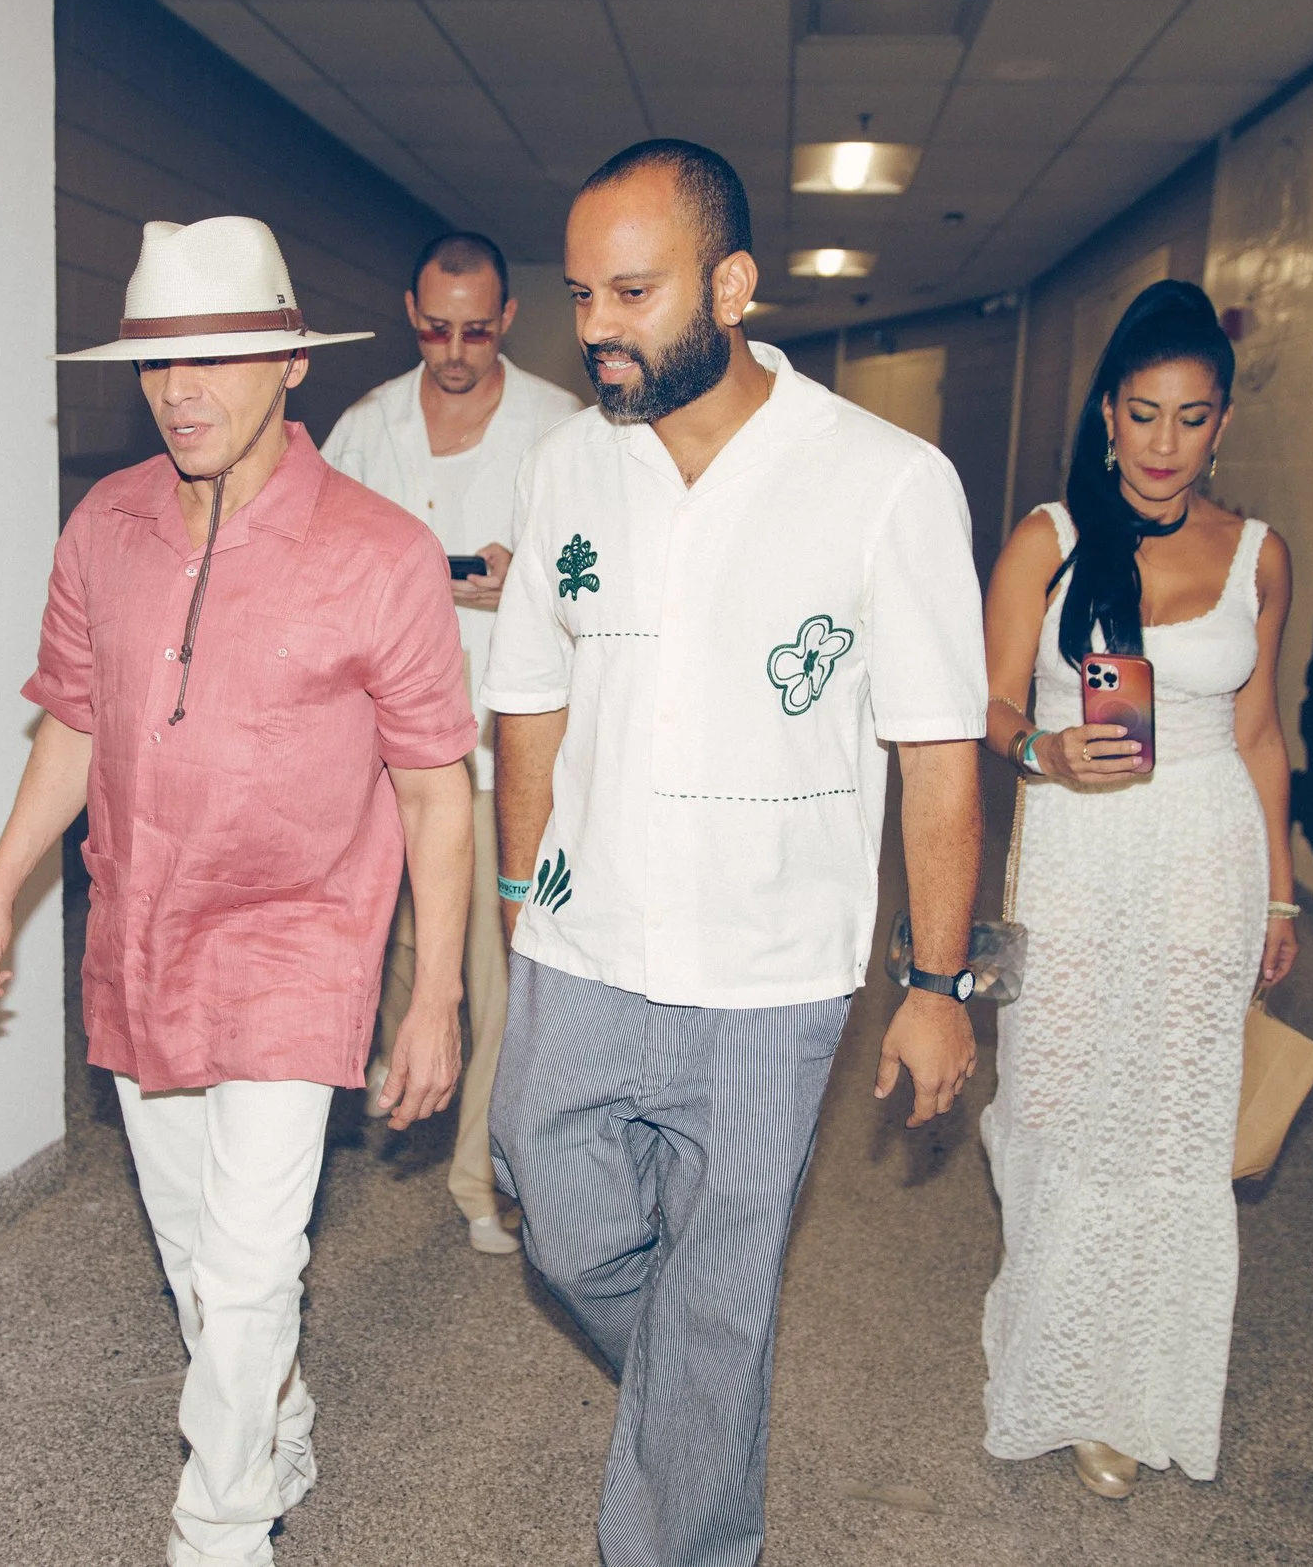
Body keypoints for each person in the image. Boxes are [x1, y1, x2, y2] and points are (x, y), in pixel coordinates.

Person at [0, 216, 478, 1567]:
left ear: (291, 361)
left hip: (305, 939)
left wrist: (437, 994)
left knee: (248, 1263)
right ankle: (276, 1405)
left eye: (221, 357)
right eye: (157, 363)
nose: (185, 390)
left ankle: (220, 1528)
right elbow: (74, 720)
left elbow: (431, 786)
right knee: (197, 1252)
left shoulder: (383, 552)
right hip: (143, 928)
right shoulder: (104, 525)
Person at [483, 139, 990, 1567]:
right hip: (585, 944)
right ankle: (700, 1396)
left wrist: (939, 978)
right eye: (581, 293)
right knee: (562, 1224)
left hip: (777, 976)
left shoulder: (887, 481)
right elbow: (529, 699)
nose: (594, 327)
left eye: (631, 291)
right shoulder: (565, 468)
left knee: (723, 1287)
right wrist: (522, 903)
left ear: (735, 284)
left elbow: (940, 751)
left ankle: (693, 1539)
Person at [976, 280, 1299, 1499]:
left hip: (1204, 862)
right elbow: (986, 704)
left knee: (1169, 1127)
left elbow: (1263, 734)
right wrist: (1038, 752)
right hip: (1076, 848)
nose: (1165, 445)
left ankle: (1130, 1391)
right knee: (1060, 1106)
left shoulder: (1261, 555)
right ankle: (1053, 1352)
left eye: (1192, 418)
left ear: (1220, 423)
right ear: (1108, 414)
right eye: (1144, 415)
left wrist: (1278, 893)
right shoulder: (1048, 539)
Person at [321, 230, 581, 1255]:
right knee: (390, 944)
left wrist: (529, 576)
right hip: (371, 746)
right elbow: (315, 562)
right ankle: (399, 1078)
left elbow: (605, 591)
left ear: (508, 319)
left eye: (477, 329)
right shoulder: (366, 427)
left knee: (493, 960)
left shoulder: (559, 432)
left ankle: (480, 1172)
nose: (456, 349)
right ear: (410, 313)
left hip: (492, 752)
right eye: (437, 327)